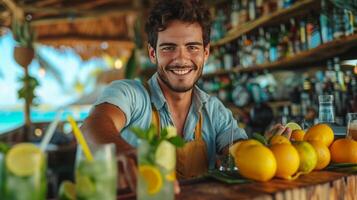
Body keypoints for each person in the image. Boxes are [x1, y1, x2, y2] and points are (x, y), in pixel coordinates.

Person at [81, 0, 291, 190]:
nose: (181, 59)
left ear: (205, 53)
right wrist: (126, 154)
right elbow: (94, 125)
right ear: (153, 53)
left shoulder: (214, 110)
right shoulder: (130, 93)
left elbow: (238, 152)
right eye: (169, 48)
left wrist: (265, 149)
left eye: (192, 47)